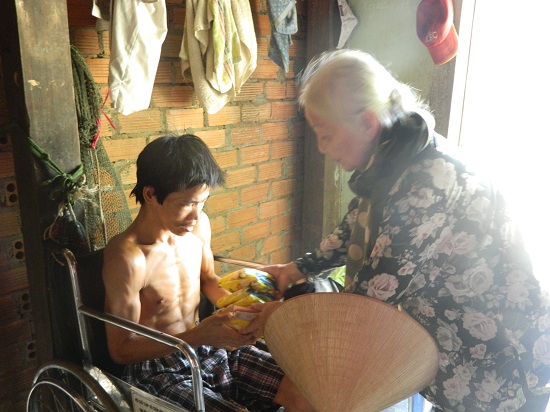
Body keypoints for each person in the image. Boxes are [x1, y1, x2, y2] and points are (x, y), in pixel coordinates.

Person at [240, 49, 550, 411]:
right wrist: (294, 270)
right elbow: (353, 227)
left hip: (502, 361)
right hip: (464, 351)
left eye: (326, 135)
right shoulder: (394, 162)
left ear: (367, 123)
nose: (322, 148)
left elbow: (368, 304)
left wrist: (280, 319)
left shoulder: (427, 182)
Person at [102, 134, 314, 412]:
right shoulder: (129, 257)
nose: (196, 215)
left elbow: (208, 280)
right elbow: (120, 350)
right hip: (157, 369)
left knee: (307, 389)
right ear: (151, 195)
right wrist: (199, 335)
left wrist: (243, 314)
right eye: (186, 203)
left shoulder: (198, 227)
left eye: (202, 201)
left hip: (207, 347)